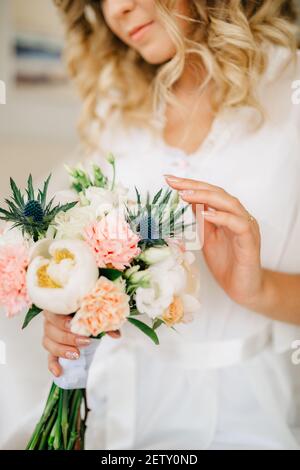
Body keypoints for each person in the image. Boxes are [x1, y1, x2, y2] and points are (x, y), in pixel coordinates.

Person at [42, 0, 300, 450]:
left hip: (250, 414)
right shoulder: (114, 101)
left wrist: (256, 290)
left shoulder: (291, 91)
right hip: (116, 407)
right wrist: (67, 305)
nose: (117, 9)